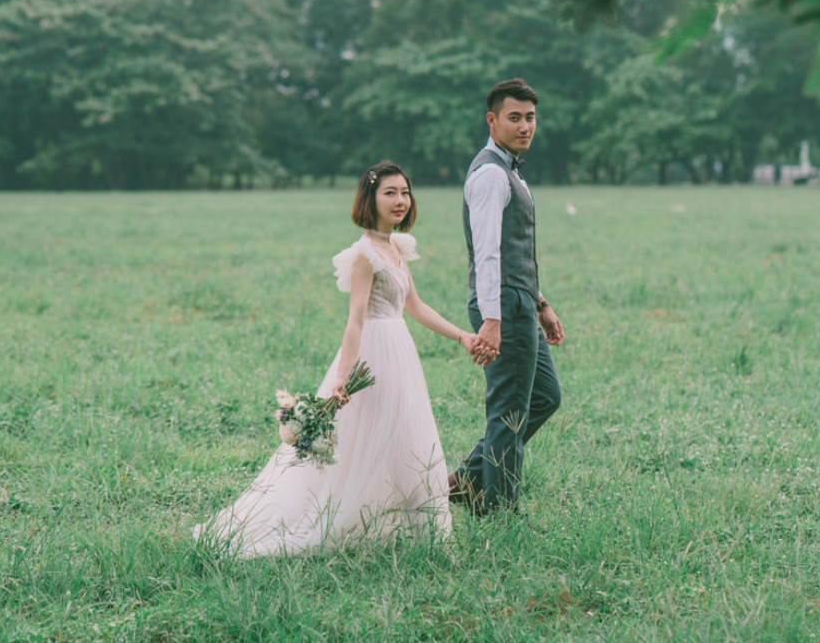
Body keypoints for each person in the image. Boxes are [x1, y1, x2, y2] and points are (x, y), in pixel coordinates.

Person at [194, 160, 486, 557]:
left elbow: (415, 306)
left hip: (401, 351)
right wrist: (342, 378)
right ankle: (349, 518)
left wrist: (463, 336)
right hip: (373, 352)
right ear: (371, 198)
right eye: (390, 193)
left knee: (405, 434)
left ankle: (416, 528)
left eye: (404, 192)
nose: (400, 200)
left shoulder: (395, 246)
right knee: (365, 438)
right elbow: (355, 321)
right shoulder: (365, 254)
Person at [449, 78, 565, 515]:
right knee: (508, 412)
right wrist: (492, 322)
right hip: (501, 307)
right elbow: (488, 253)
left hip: (519, 302)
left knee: (543, 397)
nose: (524, 126)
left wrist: (541, 304)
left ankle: (468, 478)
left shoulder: (512, 171)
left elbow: (517, 250)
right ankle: (497, 509)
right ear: (492, 120)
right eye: (514, 118)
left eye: (530, 118)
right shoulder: (491, 175)